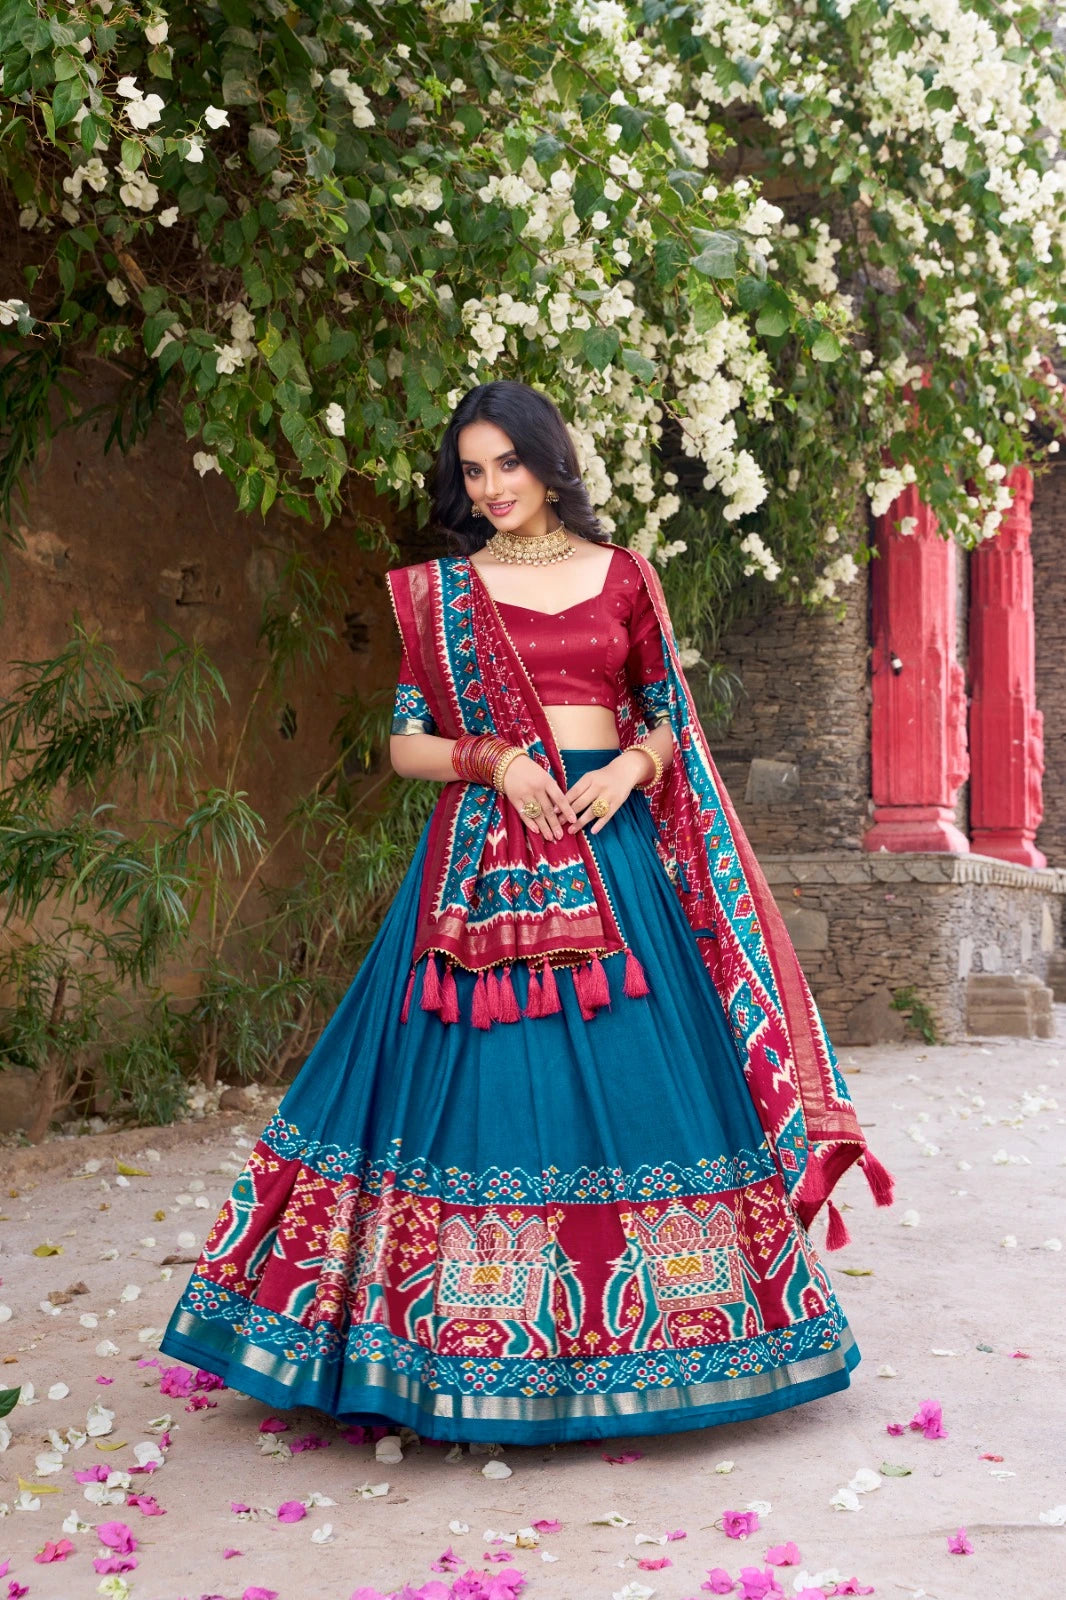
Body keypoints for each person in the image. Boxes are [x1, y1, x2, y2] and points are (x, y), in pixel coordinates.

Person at [159, 379, 894, 1446]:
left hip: (611, 855)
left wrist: (634, 766)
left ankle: (667, 1334)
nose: (492, 486)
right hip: (478, 869)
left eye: (508, 462)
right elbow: (404, 740)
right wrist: (495, 758)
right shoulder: (444, 593)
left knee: (642, 1083)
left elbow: (669, 718)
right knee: (465, 1096)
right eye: (473, 469)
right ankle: (443, 1345)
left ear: (550, 462)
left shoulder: (626, 576)